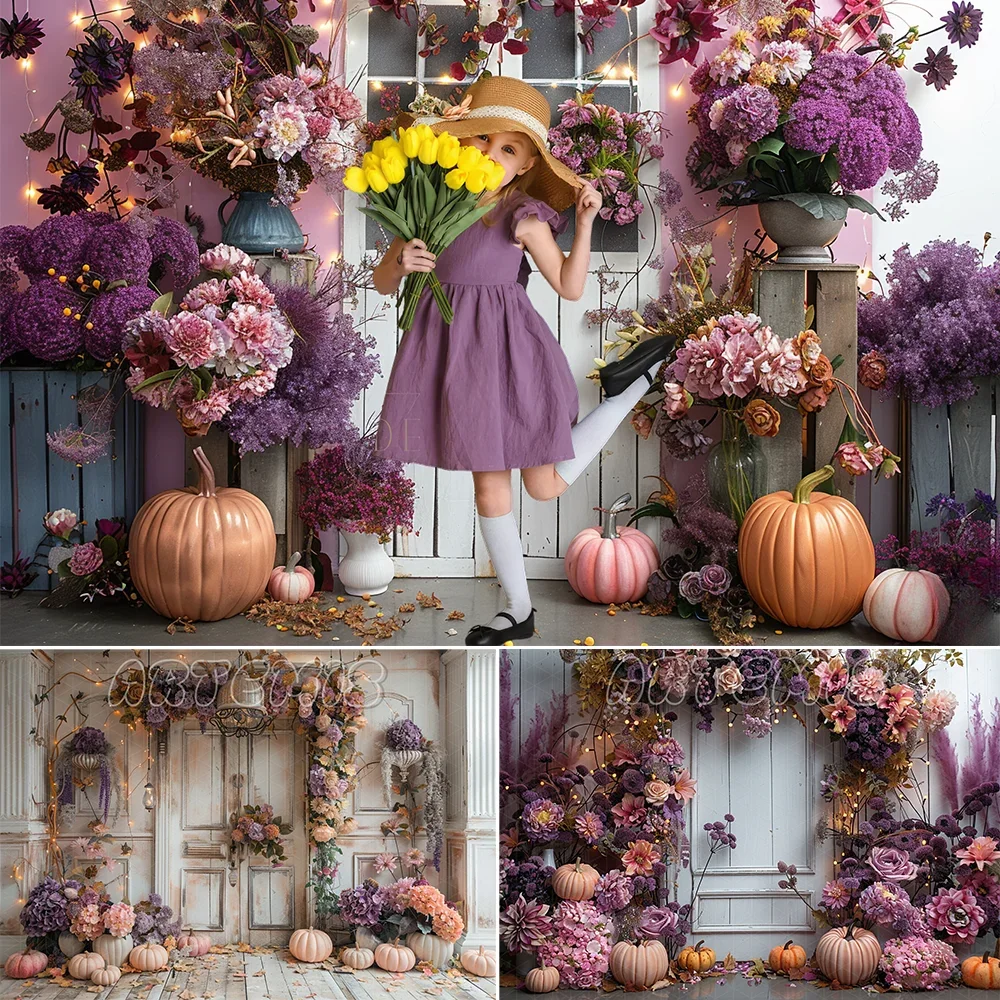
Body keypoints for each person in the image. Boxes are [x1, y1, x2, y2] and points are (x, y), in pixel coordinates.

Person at [373, 76, 670, 645]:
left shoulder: (522, 216)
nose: (490, 154)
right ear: (460, 142)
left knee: (544, 488)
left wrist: (584, 224)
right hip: (457, 362)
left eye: (508, 148)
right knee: (491, 489)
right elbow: (386, 282)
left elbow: (569, 285)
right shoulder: (427, 206)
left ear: (528, 161)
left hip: (512, 359)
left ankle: (627, 392)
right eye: (482, 139)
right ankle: (518, 609)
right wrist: (402, 262)